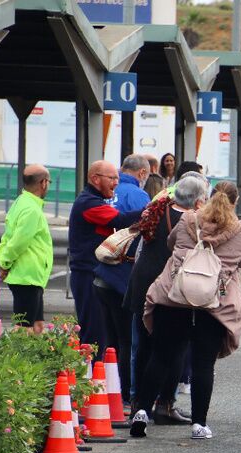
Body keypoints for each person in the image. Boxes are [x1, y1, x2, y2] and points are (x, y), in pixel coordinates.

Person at [130, 183, 241, 440]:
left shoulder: (188, 218)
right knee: (202, 365)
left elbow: (170, 241)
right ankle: (199, 424)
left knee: (160, 357)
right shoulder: (239, 230)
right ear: (236, 201)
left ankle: (141, 411)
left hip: (174, 299)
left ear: (206, 198)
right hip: (213, 305)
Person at [125, 172, 207, 422]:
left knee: (144, 347)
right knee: (174, 348)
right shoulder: (193, 221)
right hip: (170, 288)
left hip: (142, 282)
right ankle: (165, 404)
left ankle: (139, 403)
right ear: (197, 200)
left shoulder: (157, 210)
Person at [68, 161, 145, 353]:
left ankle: (100, 377)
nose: (116, 183)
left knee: (104, 332)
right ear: (95, 179)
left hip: (94, 273)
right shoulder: (88, 203)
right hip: (87, 274)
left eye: (117, 178)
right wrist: (150, 211)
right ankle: (90, 377)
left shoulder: (95, 201)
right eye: (112, 178)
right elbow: (119, 220)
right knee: (93, 332)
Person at [95, 154, 151, 401]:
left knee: (108, 340)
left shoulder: (108, 194)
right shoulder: (139, 196)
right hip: (124, 276)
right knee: (128, 340)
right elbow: (147, 233)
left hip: (102, 269)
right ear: (142, 174)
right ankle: (126, 393)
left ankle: (104, 389)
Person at [0, 165, 53, 334]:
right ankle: (12, 359)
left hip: (31, 277)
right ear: (43, 183)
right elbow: (18, 242)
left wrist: (5, 262)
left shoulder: (21, 202)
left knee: (37, 326)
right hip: (27, 276)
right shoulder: (31, 209)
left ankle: (35, 360)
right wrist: (5, 263)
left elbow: (8, 237)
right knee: (24, 328)